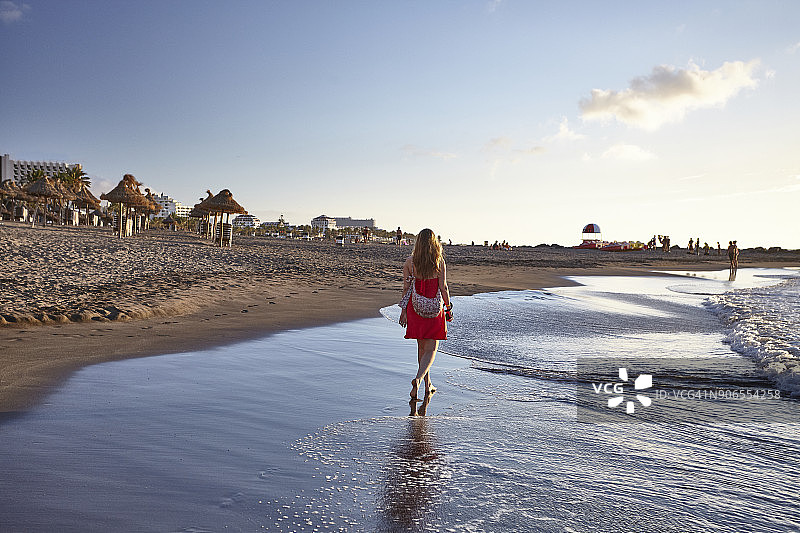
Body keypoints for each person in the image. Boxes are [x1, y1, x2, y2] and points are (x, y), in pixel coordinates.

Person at [399, 228, 452, 401]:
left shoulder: (410, 262)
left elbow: (406, 289)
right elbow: (443, 287)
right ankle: (419, 379)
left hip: (415, 308)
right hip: (434, 309)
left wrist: (404, 311)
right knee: (431, 349)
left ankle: (427, 384)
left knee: (422, 348)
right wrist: (448, 307)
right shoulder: (438, 261)